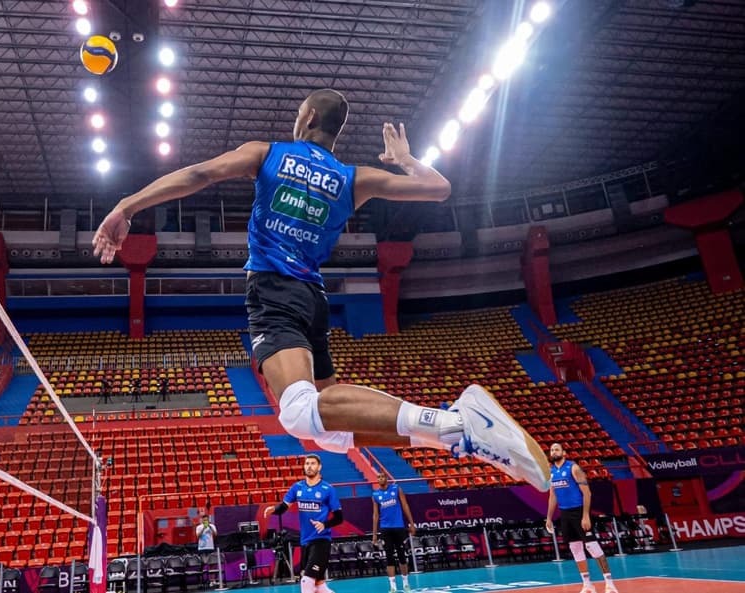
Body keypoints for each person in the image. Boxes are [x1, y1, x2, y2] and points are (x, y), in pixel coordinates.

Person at [93, 89, 550, 491]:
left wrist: (126, 206)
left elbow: (198, 175)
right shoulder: (355, 178)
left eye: (299, 113)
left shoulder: (267, 153)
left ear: (309, 117)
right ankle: (456, 435)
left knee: (296, 413)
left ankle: (453, 421)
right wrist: (407, 160)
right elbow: (439, 189)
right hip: (312, 299)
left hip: (274, 290)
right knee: (329, 433)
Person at [545, 443, 618, 593]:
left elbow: (587, 493)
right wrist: (549, 518)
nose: (554, 452)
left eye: (557, 449)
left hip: (579, 512)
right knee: (575, 548)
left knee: (592, 547)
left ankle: (609, 583)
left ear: (563, 452)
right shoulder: (551, 472)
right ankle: (587, 584)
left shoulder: (573, 468)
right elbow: (552, 496)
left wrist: (585, 515)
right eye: (552, 450)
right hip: (564, 514)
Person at [263, 454, 342, 593]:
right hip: (305, 541)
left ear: (319, 467)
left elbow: (339, 518)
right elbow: (283, 507)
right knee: (319, 585)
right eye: (307, 464)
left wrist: (325, 525)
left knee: (306, 580)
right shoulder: (297, 487)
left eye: (312, 463)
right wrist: (273, 509)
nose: (309, 466)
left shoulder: (328, 489)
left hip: (321, 540)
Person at [372, 472, 416, 593]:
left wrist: (411, 524)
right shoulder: (375, 494)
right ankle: (392, 587)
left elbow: (405, 505)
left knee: (402, 556)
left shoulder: (396, 489)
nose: (380, 479)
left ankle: (406, 584)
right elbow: (375, 515)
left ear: (386, 478)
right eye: (378, 477)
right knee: (389, 557)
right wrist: (374, 534)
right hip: (385, 529)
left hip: (399, 527)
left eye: (382, 477)